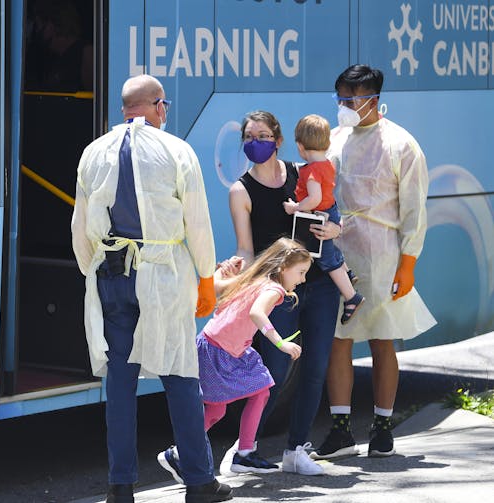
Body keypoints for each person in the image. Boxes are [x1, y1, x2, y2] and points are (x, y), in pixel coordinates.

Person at [71, 74, 231, 503]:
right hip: (163, 278)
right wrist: (204, 278)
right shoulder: (177, 151)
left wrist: (96, 271)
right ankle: (198, 481)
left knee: (119, 384)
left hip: (111, 275)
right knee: (180, 377)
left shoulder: (93, 153)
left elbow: (80, 230)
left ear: (124, 110)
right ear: (159, 107)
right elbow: (197, 222)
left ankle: (120, 488)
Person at [311, 65, 436, 460]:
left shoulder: (401, 144)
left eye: (352, 99)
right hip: (337, 252)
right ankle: (341, 429)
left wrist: (408, 263)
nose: (345, 107)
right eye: (341, 99)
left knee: (383, 339)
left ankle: (382, 428)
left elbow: (415, 208)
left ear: (374, 100)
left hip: (382, 251)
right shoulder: (333, 141)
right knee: (337, 341)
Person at [228, 110, 343, 476]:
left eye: (262, 135)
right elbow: (246, 249)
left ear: (278, 141)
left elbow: (330, 210)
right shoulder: (240, 190)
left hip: (320, 285)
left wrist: (336, 231)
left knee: (315, 369)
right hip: (277, 293)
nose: (254, 142)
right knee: (274, 372)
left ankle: (296, 450)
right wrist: (236, 282)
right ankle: (244, 450)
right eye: (248, 137)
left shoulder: (302, 173)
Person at [160, 239, 309, 478]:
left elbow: (216, 284)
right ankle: (243, 453)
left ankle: (180, 453)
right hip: (221, 351)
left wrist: (224, 270)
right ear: (283, 267)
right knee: (259, 391)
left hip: (217, 346)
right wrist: (281, 343)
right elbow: (256, 313)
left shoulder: (253, 280)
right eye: (300, 272)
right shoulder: (274, 289)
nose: (302, 279)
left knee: (220, 409)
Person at [283, 114, 364, 324]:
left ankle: (351, 297)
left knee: (327, 261)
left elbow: (314, 198)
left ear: (300, 147)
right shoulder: (327, 164)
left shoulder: (310, 171)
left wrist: (295, 207)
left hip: (321, 216)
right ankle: (349, 273)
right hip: (332, 211)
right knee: (331, 250)